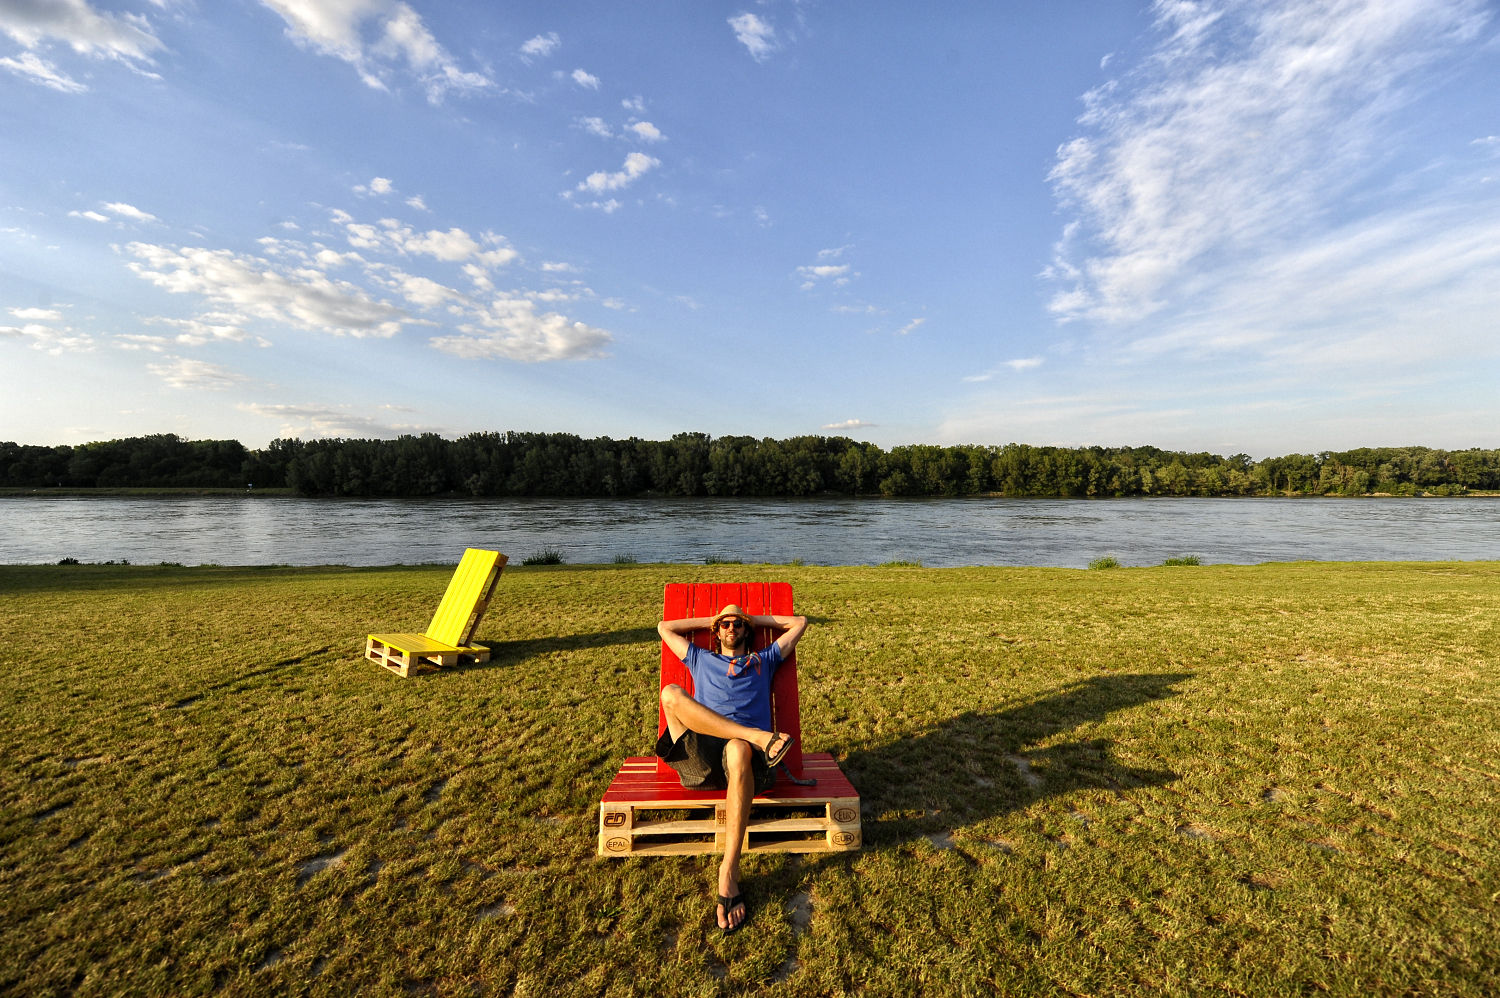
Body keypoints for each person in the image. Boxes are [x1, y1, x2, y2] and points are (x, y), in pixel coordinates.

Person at [656, 603, 808, 933]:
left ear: (746, 629)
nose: (730, 628)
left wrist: (750, 617)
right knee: (671, 693)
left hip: (749, 765)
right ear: (716, 631)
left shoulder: (763, 660)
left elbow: (799, 622)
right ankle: (753, 734)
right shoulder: (700, 658)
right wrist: (712, 618)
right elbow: (664, 627)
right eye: (724, 624)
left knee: (738, 749)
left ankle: (729, 871)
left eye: (737, 624)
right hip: (704, 761)